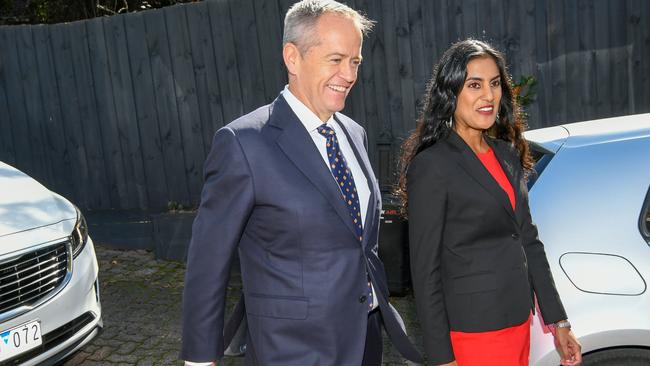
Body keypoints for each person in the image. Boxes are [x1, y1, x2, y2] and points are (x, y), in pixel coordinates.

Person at [180, 1, 422, 365]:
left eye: (355, 61)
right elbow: (207, 260)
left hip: (365, 336)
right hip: (293, 349)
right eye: (336, 59)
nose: (349, 74)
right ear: (293, 58)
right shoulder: (244, 143)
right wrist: (200, 356)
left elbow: (357, 238)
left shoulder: (354, 133)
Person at [396, 39, 582, 366]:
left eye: (494, 84)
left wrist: (559, 323)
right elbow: (425, 272)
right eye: (474, 85)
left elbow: (528, 240)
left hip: (517, 323)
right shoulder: (432, 165)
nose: (488, 96)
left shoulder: (507, 154)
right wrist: (442, 358)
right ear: (450, 92)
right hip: (472, 334)